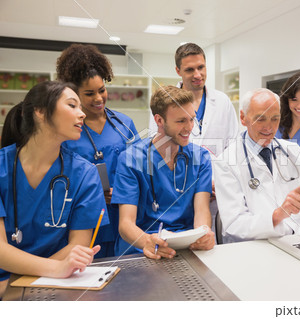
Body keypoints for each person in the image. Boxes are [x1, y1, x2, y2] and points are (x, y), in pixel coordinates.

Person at [0, 81, 108, 298]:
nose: (82, 114)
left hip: (56, 285)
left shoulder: (84, 173)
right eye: (72, 105)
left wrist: (24, 284)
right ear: (40, 111)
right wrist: (55, 269)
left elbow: (78, 246)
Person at [213, 88, 300, 243]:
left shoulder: (292, 151)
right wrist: (277, 215)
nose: (269, 127)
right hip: (251, 248)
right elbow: (234, 224)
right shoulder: (226, 161)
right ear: (243, 117)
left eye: (275, 119)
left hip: (294, 242)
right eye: (260, 119)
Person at [56, 43, 139, 257]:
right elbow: (58, 176)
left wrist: (123, 192)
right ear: (74, 94)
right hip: (83, 221)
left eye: (102, 90)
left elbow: (140, 169)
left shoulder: (124, 124)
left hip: (124, 217)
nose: (99, 98)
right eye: (89, 93)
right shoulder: (66, 131)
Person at [112, 86, 215, 258]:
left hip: (185, 247)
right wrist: (148, 242)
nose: (189, 127)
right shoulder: (131, 158)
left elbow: (202, 210)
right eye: (181, 121)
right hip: (142, 249)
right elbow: (125, 224)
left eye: (192, 119)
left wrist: (204, 234)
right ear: (159, 120)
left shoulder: (201, 157)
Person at [149, 43, 239, 157]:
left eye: (201, 67)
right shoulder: (164, 103)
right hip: (177, 172)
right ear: (178, 71)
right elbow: (157, 142)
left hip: (216, 172)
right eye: (190, 70)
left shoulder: (223, 101)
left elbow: (233, 143)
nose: (197, 75)